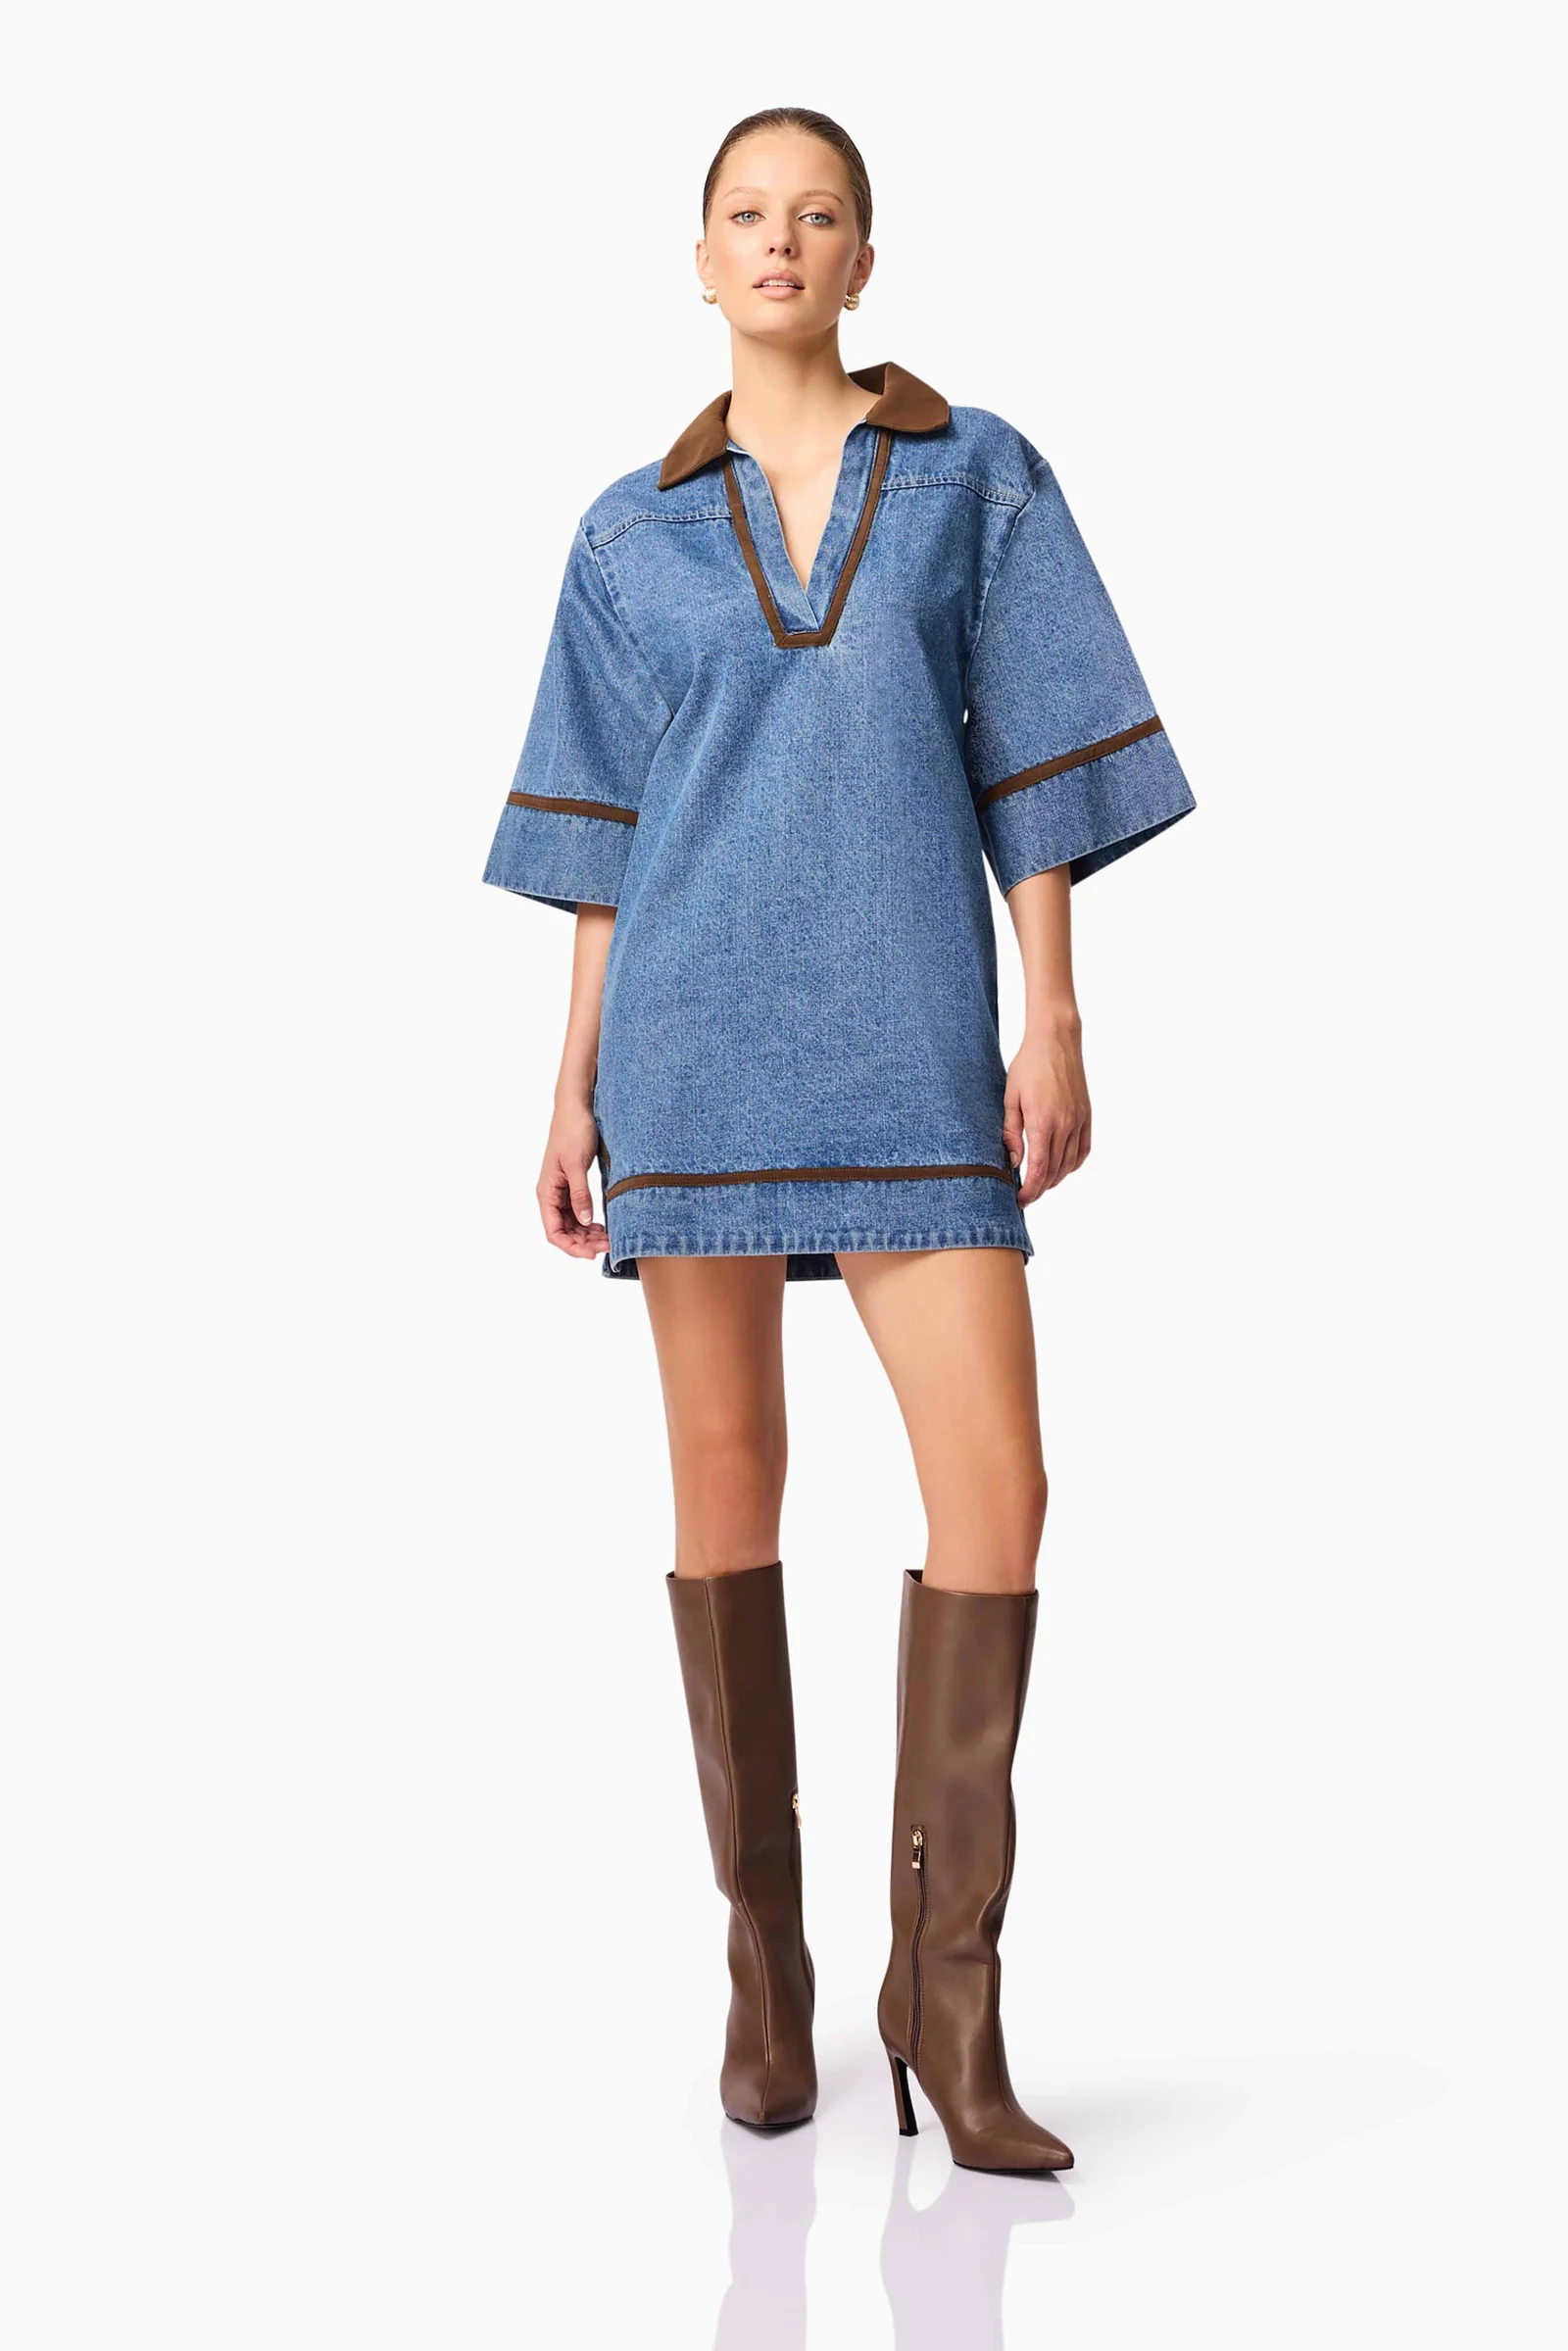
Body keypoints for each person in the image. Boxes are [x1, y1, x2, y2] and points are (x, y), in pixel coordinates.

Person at [482, 107, 1196, 2173]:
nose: (780, 241)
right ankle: (766, 1979)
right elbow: (605, 841)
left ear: (864, 259)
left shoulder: (979, 476)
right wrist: (568, 1080)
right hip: (689, 1051)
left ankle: (943, 2002)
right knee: (726, 1489)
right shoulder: (627, 534)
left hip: (910, 1042)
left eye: (817, 216)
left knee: (1000, 1493)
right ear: (698, 258)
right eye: (746, 214)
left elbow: (1033, 759)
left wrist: (1053, 1008)